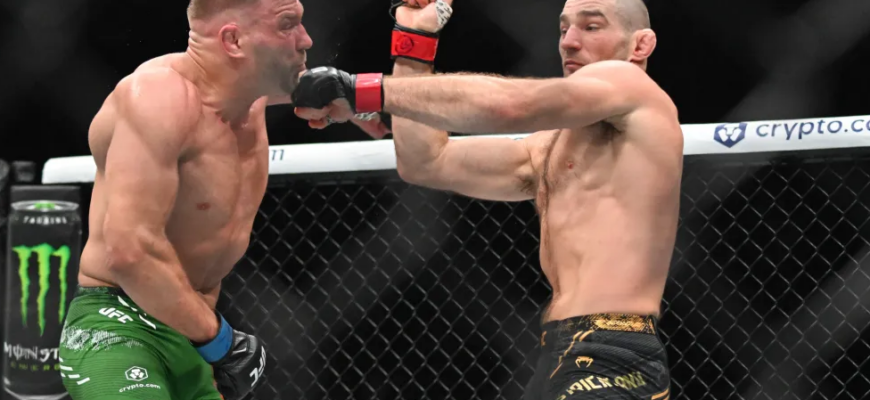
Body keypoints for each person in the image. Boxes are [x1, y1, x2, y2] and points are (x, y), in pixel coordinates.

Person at [293, 0, 681, 399]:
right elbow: (425, 161)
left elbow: (511, 105)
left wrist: (363, 91)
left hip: (613, 350)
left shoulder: (631, 86)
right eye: (564, 29)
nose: (569, 42)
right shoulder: (549, 149)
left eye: (591, 27)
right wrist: (414, 43)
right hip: (558, 349)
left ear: (641, 45)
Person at [57, 0, 314, 399]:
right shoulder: (159, 98)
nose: (306, 39)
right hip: (118, 324)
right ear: (233, 41)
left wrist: (371, 97)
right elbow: (129, 251)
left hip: (193, 334)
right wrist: (221, 342)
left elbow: (327, 89)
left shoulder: (252, 94)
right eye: (287, 24)